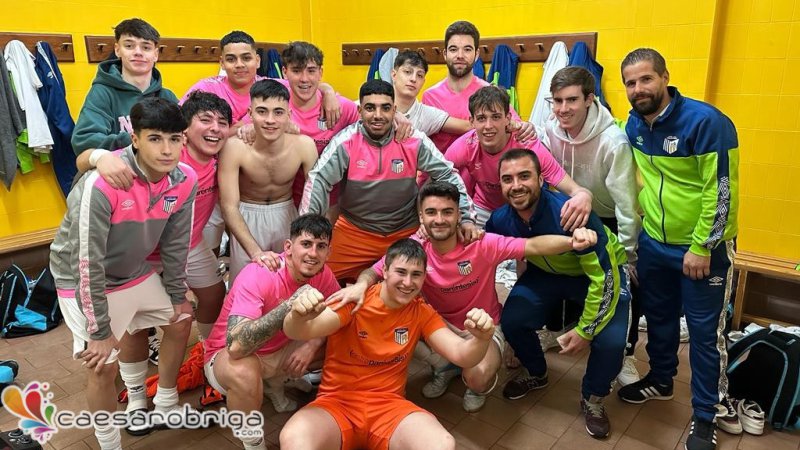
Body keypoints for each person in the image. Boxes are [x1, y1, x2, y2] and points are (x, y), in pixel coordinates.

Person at [331, 181, 598, 413]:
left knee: (477, 377)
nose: (439, 219)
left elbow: (532, 245)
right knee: (392, 323)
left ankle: (474, 385)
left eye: (447, 212)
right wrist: (360, 285)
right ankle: (444, 367)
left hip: (482, 328)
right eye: (431, 212)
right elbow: (377, 270)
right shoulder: (414, 248)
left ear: (459, 214)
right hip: (436, 329)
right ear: (421, 216)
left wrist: (572, 242)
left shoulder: (480, 244)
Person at [50, 98, 197, 449]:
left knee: (180, 319)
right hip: (81, 278)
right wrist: (99, 331)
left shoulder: (184, 178)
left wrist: (177, 294)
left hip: (133, 271)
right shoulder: (103, 184)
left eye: (175, 139)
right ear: (135, 139)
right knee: (102, 364)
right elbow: (87, 262)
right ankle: (110, 441)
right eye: (155, 138)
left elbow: (176, 244)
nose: (167, 150)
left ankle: (164, 402)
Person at [616, 48, 739, 450]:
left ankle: (706, 414)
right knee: (660, 318)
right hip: (655, 244)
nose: (638, 89)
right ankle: (661, 379)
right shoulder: (634, 124)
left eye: (646, 79)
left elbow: (721, 191)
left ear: (665, 77)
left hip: (703, 249)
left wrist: (702, 245)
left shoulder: (706, 123)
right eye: (630, 83)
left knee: (704, 334)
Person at [279, 238, 496, 450]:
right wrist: (297, 316)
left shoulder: (421, 312)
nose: (408, 282)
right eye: (401, 272)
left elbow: (462, 355)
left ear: (424, 277)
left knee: (442, 444)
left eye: (416, 274)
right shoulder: (355, 300)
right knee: (294, 439)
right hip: (337, 403)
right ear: (384, 271)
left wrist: (482, 338)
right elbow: (300, 330)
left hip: (388, 407)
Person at [486, 148, 630, 439]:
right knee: (513, 320)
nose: (516, 185)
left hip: (596, 276)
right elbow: (483, 255)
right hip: (546, 274)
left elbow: (603, 279)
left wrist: (586, 330)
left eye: (524, 176)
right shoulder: (500, 219)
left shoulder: (571, 214)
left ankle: (593, 398)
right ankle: (535, 372)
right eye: (507, 179)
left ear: (542, 179)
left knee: (611, 341)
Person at [77, 91, 232, 343]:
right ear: (186, 130)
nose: (214, 128)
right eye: (205, 120)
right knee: (135, 324)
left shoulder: (220, 158)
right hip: (138, 251)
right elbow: (84, 159)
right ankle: (138, 360)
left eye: (222, 123)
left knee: (214, 294)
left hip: (186, 244)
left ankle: (209, 350)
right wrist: (100, 157)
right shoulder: (161, 154)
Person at [299, 79, 478, 282]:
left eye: (385, 108)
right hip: (355, 231)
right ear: (359, 111)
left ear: (394, 110)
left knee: (436, 282)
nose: (378, 115)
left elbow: (447, 174)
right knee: (311, 276)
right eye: (370, 108)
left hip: (406, 232)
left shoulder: (412, 139)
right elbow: (319, 179)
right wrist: (306, 232)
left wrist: (466, 218)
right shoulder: (345, 142)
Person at [538, 66, 643, 385]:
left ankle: (626, 352)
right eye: (557, 101)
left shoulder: (613, 141)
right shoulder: (550, 128)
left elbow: (627, 205)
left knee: (623, 284)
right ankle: (556, 328)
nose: (562, 109)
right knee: (555, 271)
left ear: (589, 99)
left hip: (608, 218)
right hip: (569, 214)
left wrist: (629, 254)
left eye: (571, 100)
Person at [203, 214, 340, 450]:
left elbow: (339, 313)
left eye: (321, 247)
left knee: (344, 339)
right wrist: (289, 305)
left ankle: (278, 382)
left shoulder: (323, 274)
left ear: (328, 253)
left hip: (282, 347)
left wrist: (312, 344)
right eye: (306, 244)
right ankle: (253, 443)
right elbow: (236, 347)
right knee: (243, 372)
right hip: (229, 355)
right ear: (288, 247)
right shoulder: (261, 273)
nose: (313, 253)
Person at [444, 85, 593, 228]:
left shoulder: (527, 145)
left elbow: (573, 188)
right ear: (472, 122)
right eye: (482, 118)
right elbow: (438, 173)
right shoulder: (465, 145)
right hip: (484, 208)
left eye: (496, 117)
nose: (488, 126)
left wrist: (584, 196)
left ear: (508, 118)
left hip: (525, 210)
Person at [218, 79, 318, 282]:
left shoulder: (304, 145)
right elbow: (229, 206)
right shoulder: (234, 147)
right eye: (262, 111)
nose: (270, 120)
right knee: (246, 283)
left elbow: (316, 196)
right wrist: (256, 252)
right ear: (250, 113)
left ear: (289, 115)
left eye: (278, 112)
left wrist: (307, 237)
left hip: (288, 215)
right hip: (247, 216)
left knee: (290, 281)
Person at [72, 18, 177, 160]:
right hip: (118, 169)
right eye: (129, 46)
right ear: (117, 50)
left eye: (146, 47)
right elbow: (84, 140)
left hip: (160, 170)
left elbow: (184, 135)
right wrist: (136, 140)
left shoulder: (167, 97)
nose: (138, 52)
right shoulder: (102, 93)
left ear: (155, 54)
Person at [422, 20, 533, 152]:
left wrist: (526, 127)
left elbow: (517, 126)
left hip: (484, 165)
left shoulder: (490, 93)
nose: (460, 55)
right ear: (445, 54)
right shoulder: (430, 97)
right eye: (453, 49)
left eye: (467, 49)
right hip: (440, 165)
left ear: (476, 54)